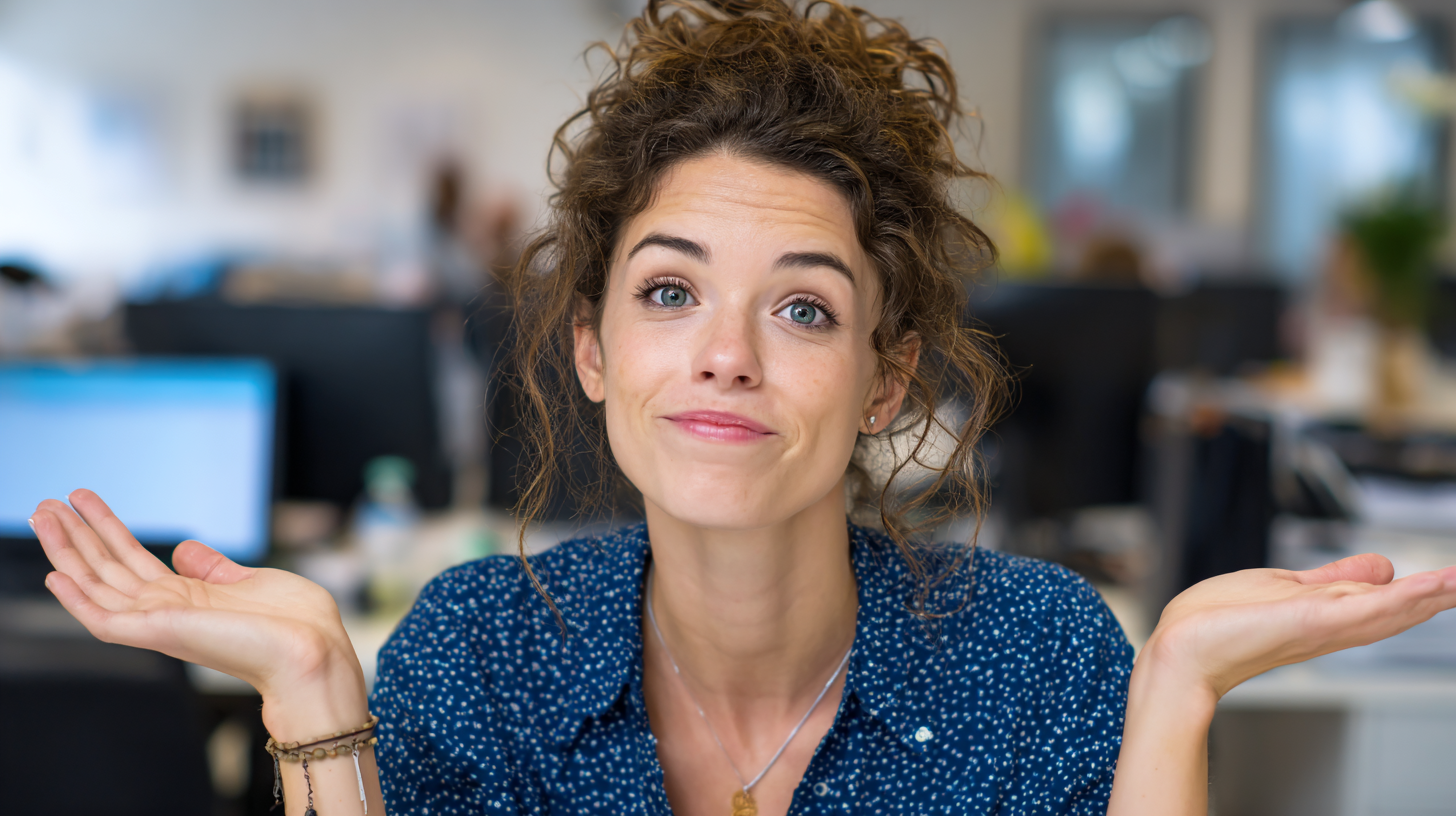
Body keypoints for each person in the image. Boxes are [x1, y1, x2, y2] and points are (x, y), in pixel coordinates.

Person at [27, 2, 1456, 814]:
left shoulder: (1043, 659)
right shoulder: (474, 659)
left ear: (887, 375)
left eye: (804, 307)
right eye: (667, 293)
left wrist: (1177, 700)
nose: (725, 356)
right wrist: (320, 711)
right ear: (589, 351)